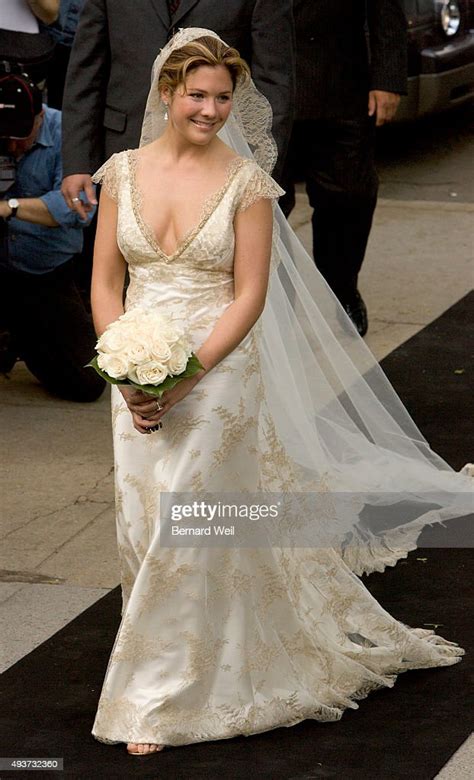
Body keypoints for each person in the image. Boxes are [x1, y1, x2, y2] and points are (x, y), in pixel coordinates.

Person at [90, 29, 472, 755]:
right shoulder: (122, 173)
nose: (209, 109)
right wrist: (123, 365)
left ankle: (160, 696)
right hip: (136, 370)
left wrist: (185, 376)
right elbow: (107, 282)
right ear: (167, 93)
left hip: (218, 373)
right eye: (197, 95)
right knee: (144, 522)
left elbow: (250, 295)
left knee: (189, 526)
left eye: (222, 97)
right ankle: (182, 652)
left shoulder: (247, 184)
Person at [61, 0, 295, 222]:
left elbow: (274, 82)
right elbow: (87, 69)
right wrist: (77, 161)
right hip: (122, 147)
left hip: (217, 159)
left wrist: (259, 176)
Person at [280, 0, 407, 336]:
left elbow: (386, 8)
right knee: (262, 205)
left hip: (341, 82)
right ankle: (270, 305)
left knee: (350, 197)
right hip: (263, 82)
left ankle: (342, 289)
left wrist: (388, 77)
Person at [0, 79, 105, 402]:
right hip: (2, 263)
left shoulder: (67, 133)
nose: (13, 146)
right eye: (5, 138)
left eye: (21, 138)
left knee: (86, 385)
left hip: (47, 270)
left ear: (39, 117)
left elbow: (74, 208)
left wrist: (9, 208)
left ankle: (23, 338)